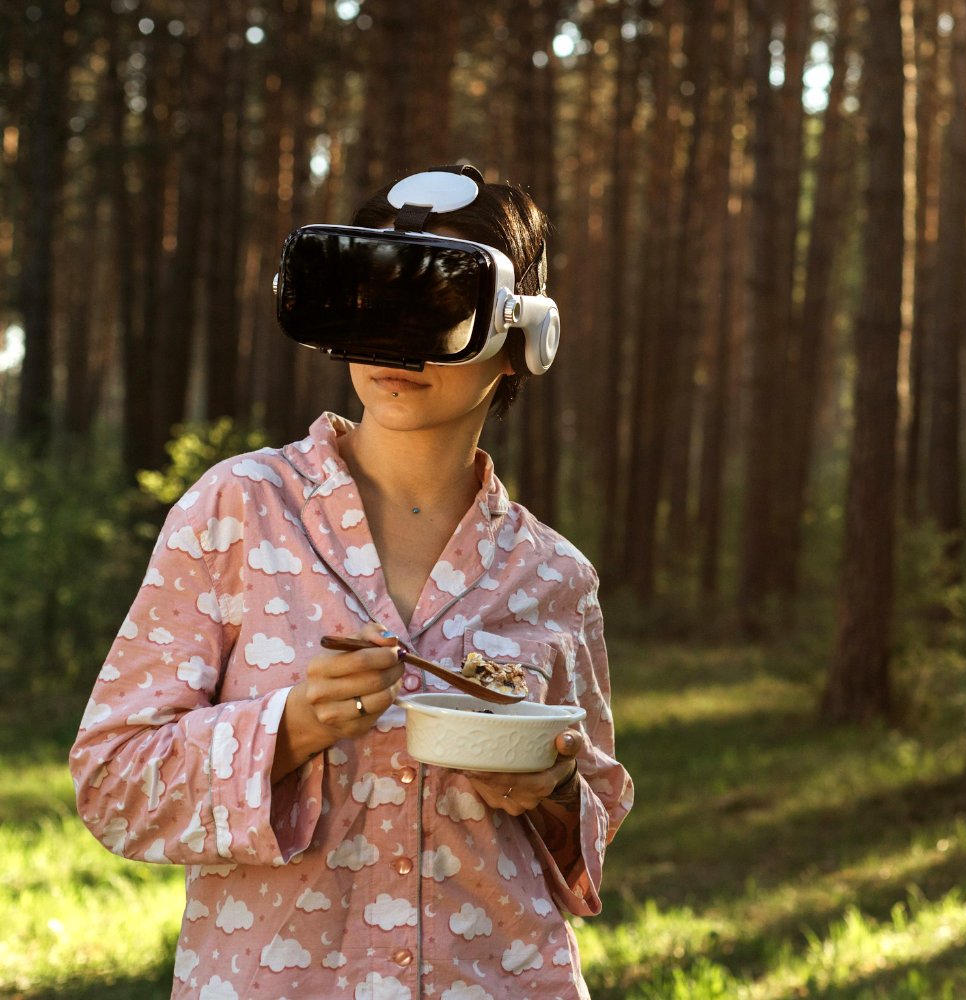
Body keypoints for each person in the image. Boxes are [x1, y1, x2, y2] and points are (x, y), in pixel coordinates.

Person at [70, 164, 633, 1000]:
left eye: (438, 304)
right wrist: (288, 731)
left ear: (523, 339)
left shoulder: (553, 576)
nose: (393, 345)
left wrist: (549, 791)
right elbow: (112, 783)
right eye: (373, 299)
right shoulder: (238, 509)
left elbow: (594, 810)